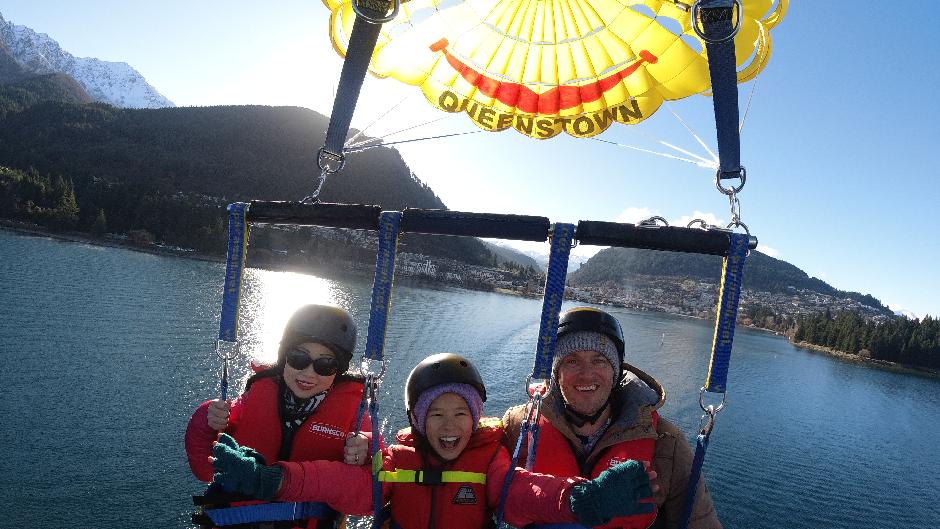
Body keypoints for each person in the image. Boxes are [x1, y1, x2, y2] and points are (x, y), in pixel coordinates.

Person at [210, 353, 660, 529]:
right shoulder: (397, 459)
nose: (450, 426)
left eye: (461, 413)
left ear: (475, 418)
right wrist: (273, 479)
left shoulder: (490, 458)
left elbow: (523, 491)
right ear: (418, 422)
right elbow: (339, 484)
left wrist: (581, 499)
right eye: (437, 415)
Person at [502, 307, 723, 529]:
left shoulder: (666, 444)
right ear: (556, 372)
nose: (586, 374)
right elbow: (485, 496)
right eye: (572, 361)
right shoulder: (520, 427)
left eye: (599, 360)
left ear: (615, 371)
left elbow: (700, 522)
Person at [185, 304, 374, 529]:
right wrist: (207, 421)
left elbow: (368, 499)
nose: (309, 372)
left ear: (339, 371)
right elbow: (204, 469)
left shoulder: (355, 417)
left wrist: (368, 448)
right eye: (298, 358)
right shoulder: (253, 398)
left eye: (325, 364)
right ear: (284, 357)